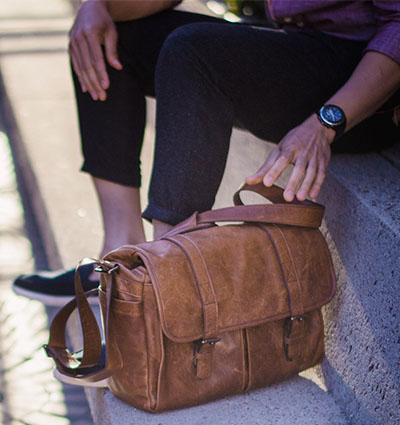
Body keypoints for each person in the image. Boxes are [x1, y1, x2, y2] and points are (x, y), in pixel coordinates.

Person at [13, 0, 400, 305]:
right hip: (299, 47)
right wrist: (98, 5)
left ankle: (165, 278)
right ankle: (118, 257)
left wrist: (326, 122)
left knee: (192, 50)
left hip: (366, 91)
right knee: (108, 36)